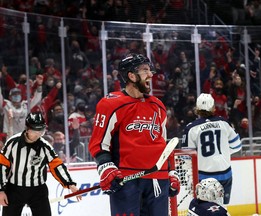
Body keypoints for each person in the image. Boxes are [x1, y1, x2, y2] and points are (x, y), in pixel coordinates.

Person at [88, 53, 180, 216]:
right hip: (127, 180)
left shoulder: (158, 106)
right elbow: (99, 142)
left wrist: (170, 172)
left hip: (158, 179)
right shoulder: (111, 104)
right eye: (145, 70)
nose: (150, 74)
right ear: (131, 75)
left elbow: (163, 145)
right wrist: (105, 167)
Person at [0, 112, 81, 216]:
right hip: (14, 189)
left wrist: (70, 184)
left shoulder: (45, 146)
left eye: (41, 130)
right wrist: (1, 190)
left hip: (37, 190)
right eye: (35, 130)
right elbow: (1, 166)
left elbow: (57, 166)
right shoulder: (12, 143)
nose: (38, 134)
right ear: (27, 129)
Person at [182, 93, 242, 204]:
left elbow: (187, 158)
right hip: (225, 174)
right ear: (213, 107)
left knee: (204, 209)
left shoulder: (191, 128)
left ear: (197, 108)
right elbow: (237, 146)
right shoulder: (224, 122)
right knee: (222, 209)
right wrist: (223, 151)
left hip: (203, 177)